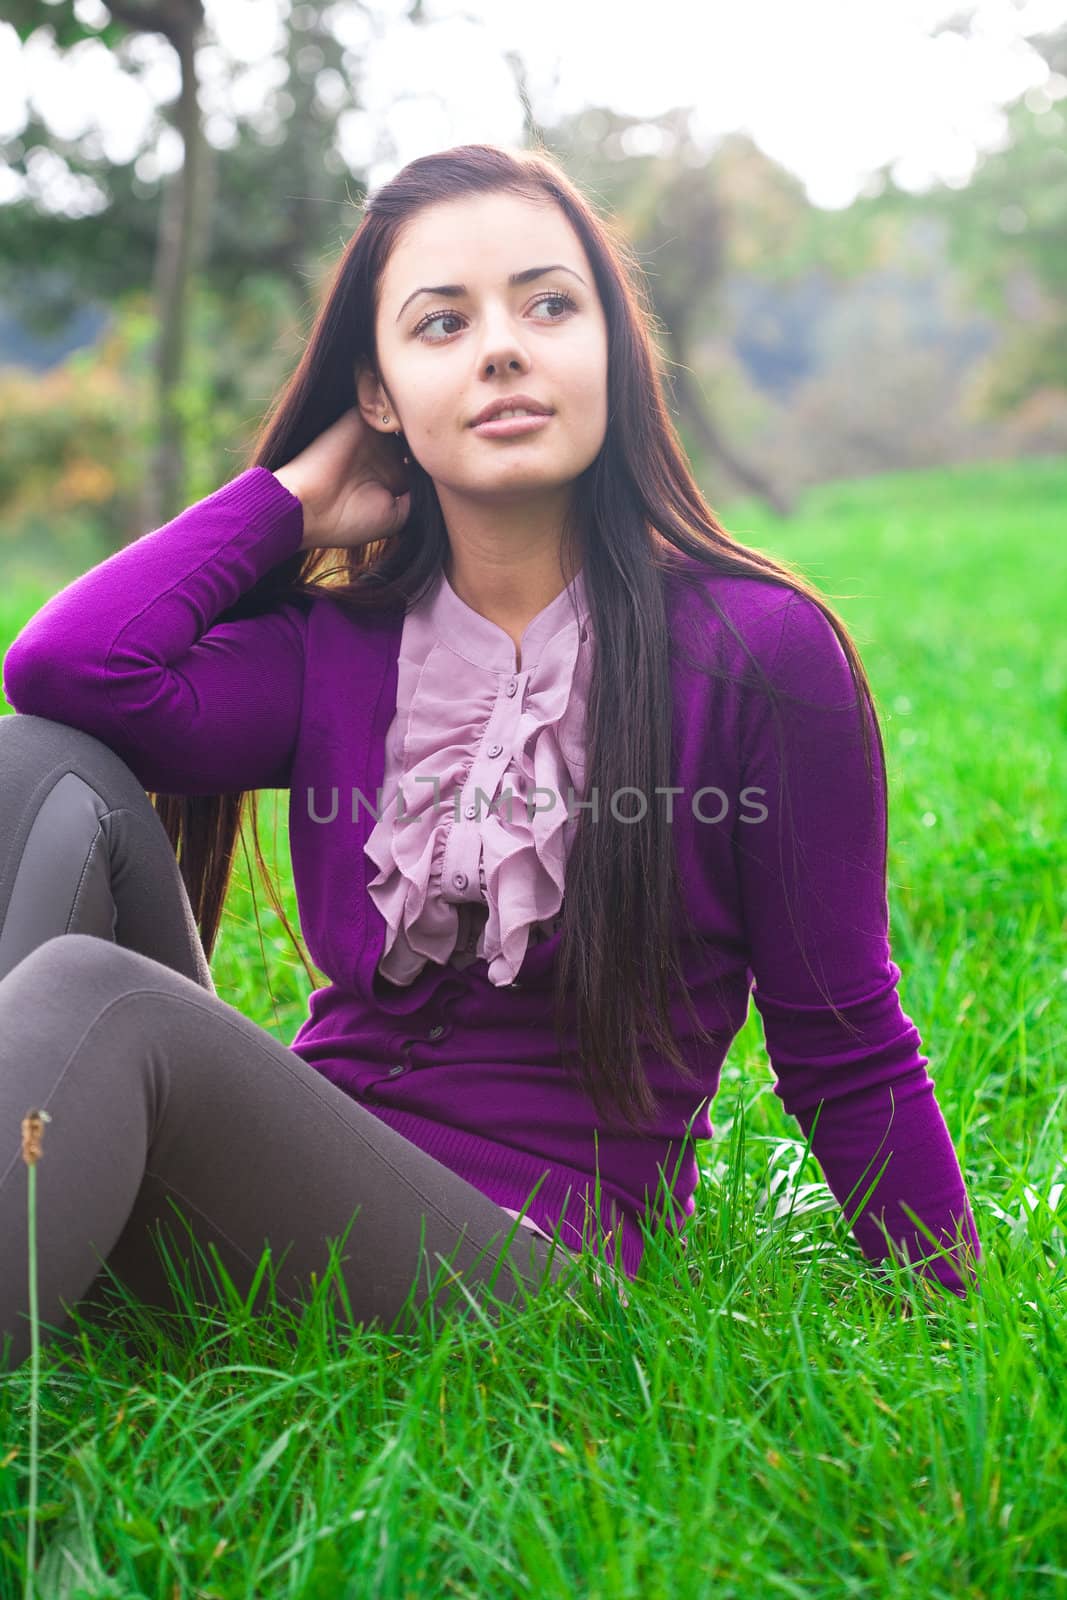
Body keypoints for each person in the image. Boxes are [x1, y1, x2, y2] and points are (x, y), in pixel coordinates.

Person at [0, 142, 980, 1374]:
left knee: (108, 1005)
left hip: (527, 1259)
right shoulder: (340, 647)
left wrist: (952, 1318)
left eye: (547, 305)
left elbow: (844, 1042)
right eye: (441, 324)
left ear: (612, 353)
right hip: (295, 1171)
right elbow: (66, 672)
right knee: (32, 771)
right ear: (380, 393)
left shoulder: (755, 653)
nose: (501, 348)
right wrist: (287, 502)